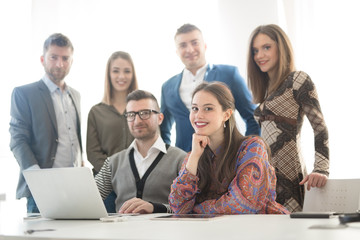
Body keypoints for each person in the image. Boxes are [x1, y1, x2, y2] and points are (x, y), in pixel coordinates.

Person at [169, 82, 289, 214]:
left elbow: (241, 204)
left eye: (208, 108)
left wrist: (195, 210)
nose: (198, 115)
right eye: (195, 108)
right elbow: (178, 208)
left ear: (226, 115)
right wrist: (194, 157)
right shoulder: (193, 156)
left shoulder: (252, 147)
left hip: (263, 228)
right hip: (216, 231)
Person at [247, 24, 329, 212]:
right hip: (265, 180)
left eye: (266, 47)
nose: (259, 55)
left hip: (290, 178)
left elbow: (320, 127)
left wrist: (321, 169)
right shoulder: (266, 89)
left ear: (281, 47)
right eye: (255, 50)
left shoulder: (298, 80)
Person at [9, 33, 82, 213]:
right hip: (42, 189)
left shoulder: (76, 95)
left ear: (72, 61)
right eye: (53, 57)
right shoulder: (24, 93)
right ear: (43, 59)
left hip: (74, 187)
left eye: (65, 58)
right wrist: (37, 178)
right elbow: (17, 140)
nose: (59, 63)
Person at [161, 23, 260, 152]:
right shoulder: (167, 87)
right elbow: (163, 130)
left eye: (194, 43)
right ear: (177, 51)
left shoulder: (229, 74)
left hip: (226, 158)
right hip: (185, 160)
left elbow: (252, 117)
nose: (190, 49)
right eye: (183, 45)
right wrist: (169, 158)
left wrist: (248, 151)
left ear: (205, 45)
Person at [95, 90, 186, 213]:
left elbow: (188, 209)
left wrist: (155, 208)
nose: (137, 121)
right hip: (121, 232)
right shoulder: (113, 162)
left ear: (160, 118)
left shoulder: (181, 160)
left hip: (164, 231)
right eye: (131, 114)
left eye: (145, 113)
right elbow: (89, 199)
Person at [86, 51, 138, 212]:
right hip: (105, 187)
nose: (121, 76)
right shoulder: (96, 111)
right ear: (108, 74)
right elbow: (93, 152)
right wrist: (114, 176)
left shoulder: (143, 108)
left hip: (137, 184)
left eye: (127, 71)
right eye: (116, 70)